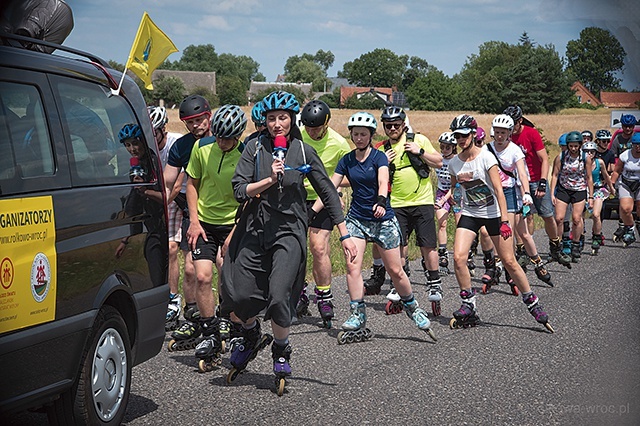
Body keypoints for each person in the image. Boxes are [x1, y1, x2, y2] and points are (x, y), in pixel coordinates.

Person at [221, 91, 357, 394]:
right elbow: (239, 190)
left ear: (291, 119)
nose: (277, 123)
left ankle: (281, 349)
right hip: (254, 229)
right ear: (264, 121)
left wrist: (344, 234)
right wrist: (269, 179)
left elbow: (328, 193)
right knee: (240, 294)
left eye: (282, 117)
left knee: (279, 293)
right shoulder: (253, 149)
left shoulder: (304, 152)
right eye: (271, 118)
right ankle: (251, 333)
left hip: (289, 232)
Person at [314, 111, 436, 343]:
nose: (359, 138)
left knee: (396, 271)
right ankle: (357, 313)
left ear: (370, 135)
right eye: (355, 134)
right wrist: (312, 213)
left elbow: (382, 180)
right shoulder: (347, 160)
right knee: (352, 267)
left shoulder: (379, 157)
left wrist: (381, 200)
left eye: (363, 134)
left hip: (382, 219)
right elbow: (330, 189)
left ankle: (413, 307)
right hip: (357, 220)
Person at [446, 114, 553, 332]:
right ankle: (468, 304)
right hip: (470, 213)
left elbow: (499, 191)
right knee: (458, 258)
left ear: (473, 134)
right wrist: (453, 202)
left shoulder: (486, 157)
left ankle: (532, 302)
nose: (460, 140)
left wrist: (505, 221)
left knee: (509, 261)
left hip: (494, 213)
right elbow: (455, 188)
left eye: (464, 135)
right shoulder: (455, 163)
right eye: (457, 136)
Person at [184, 104, 247, 369]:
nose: (222, 142)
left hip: (233, 223)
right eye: (219, 137)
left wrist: (235, 231)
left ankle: (231, 326)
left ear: (238, 136)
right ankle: (209, 332)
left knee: (227, 277)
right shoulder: (201, 148)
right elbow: (192, 184)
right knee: (201, 276)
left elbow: (250, 198)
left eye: (228, 139)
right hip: (205, 224)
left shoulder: (246, 154)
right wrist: (194, 222)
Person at [366, 106, 443, 317]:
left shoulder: (418, 139)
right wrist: (385, 162)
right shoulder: (382, 149)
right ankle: (400, 283)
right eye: (388, 125)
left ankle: (434, 283)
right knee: (398, 245)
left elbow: (439, 162)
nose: (392, 128)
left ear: (403, 124)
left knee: (428, 245)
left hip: (422, 200)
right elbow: (373, 177)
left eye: (396, 125)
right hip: (396, 203)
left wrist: (420, 151)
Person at [296, 99, 351, 327]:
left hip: (325, 199)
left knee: (318, 247)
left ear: (326, 124)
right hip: (298, 198)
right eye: (308, 127)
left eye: (316, 128)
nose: (312, 131)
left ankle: (325, 295)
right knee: (295, 249)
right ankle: (298, 292)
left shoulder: (338, 144)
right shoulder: (297, 138)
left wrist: (332, 184)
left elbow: (352, 175)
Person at [164, 95, 211, 350]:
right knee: (192, 269)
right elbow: (169, 181)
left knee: (222, 264)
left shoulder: (222, 140)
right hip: (191, 212)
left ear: (209, 116)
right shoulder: (181, 146)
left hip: (217, 211)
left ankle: (223, 316)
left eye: (199, 120)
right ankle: (192, 314)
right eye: (189, 122)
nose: (195, 126)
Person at [485, 114, 551, 289]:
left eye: (503, 133)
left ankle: (533, 264)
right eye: (497, 132)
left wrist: (526, 193)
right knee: (513, 232)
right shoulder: (487, 149)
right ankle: (504, 264)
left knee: (514, 232)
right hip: (493, 192)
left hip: (511, 192)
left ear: (509, 133)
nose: (499, 136)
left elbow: (522, 173)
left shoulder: (514, 150)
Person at [504, 105, 570, 268]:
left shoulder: (531, 133)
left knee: (547, 215)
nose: (510, 128)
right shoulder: (506, 136)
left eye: (513, 124)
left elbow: (544, 159)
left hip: (535, 179)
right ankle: (523, 251)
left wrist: (542, 181)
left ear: (520, 121)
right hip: (517, 182)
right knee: (523, 217)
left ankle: (555, 246)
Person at [148, 106, 186, 330]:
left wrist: (164, 205)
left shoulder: (175, 143)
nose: (151, 138)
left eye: (155, 133)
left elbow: (177, 184)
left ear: (163, 129)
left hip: (177, 197)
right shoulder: (146, 146)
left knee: (172, 248)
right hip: (159, 195)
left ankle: (174, 298)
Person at [549, 131, 594, 263]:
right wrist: (552, 193)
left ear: (580, 145)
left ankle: (575, 244)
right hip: (564, 189)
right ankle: (557, 246)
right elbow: (555, 175)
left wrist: (590, 197)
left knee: (576, 218)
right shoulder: (561, 157)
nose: (573, 149)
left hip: (579, 189)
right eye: (571, 146)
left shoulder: (586, 158)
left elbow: (589, 177)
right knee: (559, 218)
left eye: (576, 146)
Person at [583, 141, 615, 254]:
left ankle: (596, 237)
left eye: (592, 152)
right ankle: (579, 236)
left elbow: (606, 175)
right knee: (579, 216)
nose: (589, 154)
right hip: (583, 190)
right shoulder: (579, 163)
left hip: (598, 190)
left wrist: (611, 188)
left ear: (595, 152)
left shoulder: (599, 162)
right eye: (586, 152)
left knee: (596, 215)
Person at [609, 131, 640, 247]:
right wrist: (612, 183)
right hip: (626, 182)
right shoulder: (625, 155)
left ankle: (638, 223)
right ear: (632, 144)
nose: (638, 147)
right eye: (636, 144)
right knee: (625, 209)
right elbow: (617, 171)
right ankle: (630, 229)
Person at [434, 131, 458, 277]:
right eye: (442, 147)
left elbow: (455, 185)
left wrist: (445, 199)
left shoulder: (457, 161)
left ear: (453, 147)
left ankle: (466, 253)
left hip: (456, 192)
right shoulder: (438, 159)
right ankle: (443, 256)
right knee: (441, 223)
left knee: (460, 225)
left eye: (447, 148)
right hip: (441, 191)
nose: (444, 150)